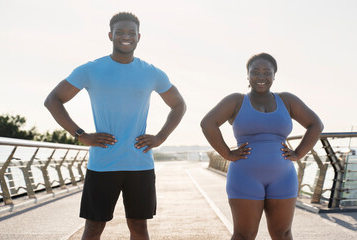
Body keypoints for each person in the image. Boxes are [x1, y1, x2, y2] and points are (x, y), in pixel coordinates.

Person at [44, 12, 186, 240]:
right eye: (120, 32)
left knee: (139, 227)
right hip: (103, 163)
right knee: (93, 227)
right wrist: (81, 134)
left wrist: (160, 137)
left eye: (131, 33)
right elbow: (52, 100)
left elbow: (178, 104)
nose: (126, 37)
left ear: (139, 37)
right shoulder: (91, 69)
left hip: (140, 162)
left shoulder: (151, 72)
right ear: (110, 35)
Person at [200, 53, 323, 240]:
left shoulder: (287, 100)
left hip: (283, 176)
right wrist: (227, 153)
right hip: (245, 176)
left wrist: (298, 153)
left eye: (267, 72)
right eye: (255, 72)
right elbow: (208, 123)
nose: (261, 77)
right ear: (247, 75)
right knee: (244, 235)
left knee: (283, 234)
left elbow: (316, 124)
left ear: (274, 75)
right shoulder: (236, 100)